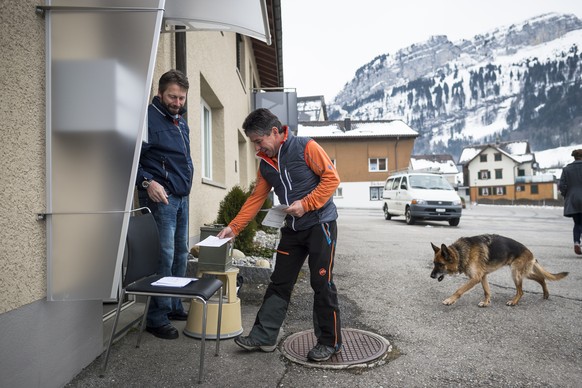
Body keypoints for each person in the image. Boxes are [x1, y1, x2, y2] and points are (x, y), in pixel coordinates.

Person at [216, 108, 343, 362]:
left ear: (274, 132)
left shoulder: (306, 147)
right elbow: (256, 198)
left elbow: (332, 179)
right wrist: (234, 227)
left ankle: (330, 342)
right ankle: (264, 336)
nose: (256, 148)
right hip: (293, 229)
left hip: (321, 225)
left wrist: (306, 204)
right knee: (280, 281)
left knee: (321, 282)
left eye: (258, 141)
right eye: (254, 143)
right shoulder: (266, 163)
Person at [136, 69, 193, 339]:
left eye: (182, 98)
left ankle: (172, 304)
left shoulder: (180, 121)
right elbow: (130, 158)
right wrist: (148, 182)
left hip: (181, 197)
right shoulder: (146, 118)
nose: (178, 102)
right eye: (173, 96)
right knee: (165, 255)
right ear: (160, 93)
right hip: (161, 198)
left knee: (181, 254)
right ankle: (156, 317)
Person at [559, 149, 582, 255]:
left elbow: (561, 186)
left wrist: (567, 195)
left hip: (573, 200)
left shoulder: (566, 169)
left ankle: (577, 242)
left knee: (577, 223)